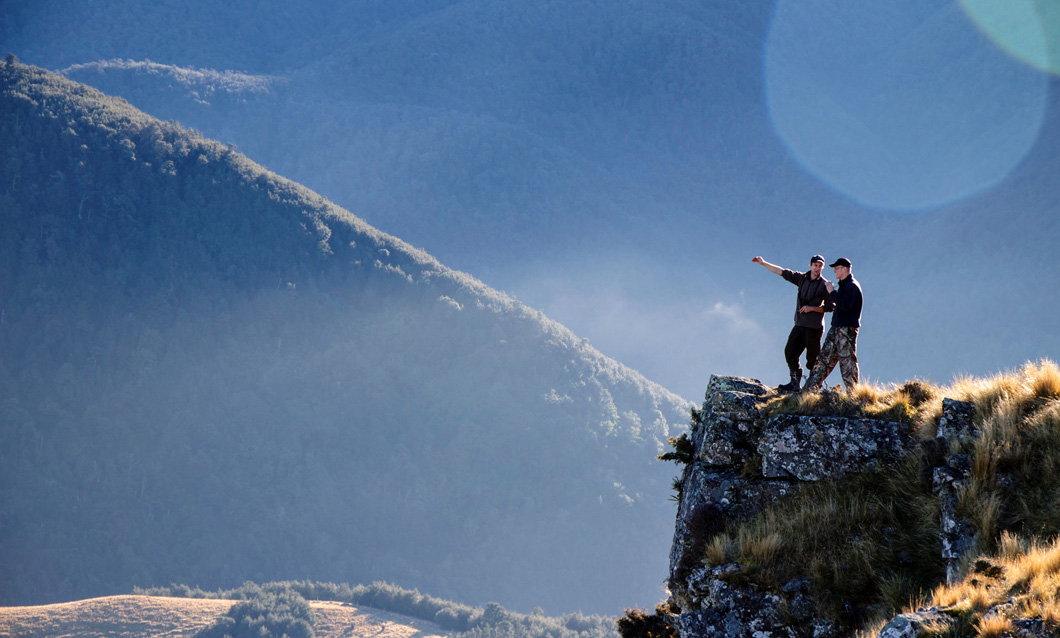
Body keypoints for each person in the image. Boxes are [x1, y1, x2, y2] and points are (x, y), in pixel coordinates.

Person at [751, 254, 834, 392]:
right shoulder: (801, 278)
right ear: (810, 265)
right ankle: (795, 383)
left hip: (814, 328)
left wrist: (812, 308)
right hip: (800, 325)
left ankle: (813, 388)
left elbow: (831, 306)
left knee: (813, 360)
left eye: (820, 266)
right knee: (790, 352)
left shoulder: (824, 285)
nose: (817, 268)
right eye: (815, 265)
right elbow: (781, 272)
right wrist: (763, 263)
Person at [802, 257, 863, 394]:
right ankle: (808, 392)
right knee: (823, 360)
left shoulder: (852, 286)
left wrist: (832, 292)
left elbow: (844, 306)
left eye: (837, 268)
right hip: (836, 329)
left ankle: (854, 396)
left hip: (846, 330)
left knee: (847, 363)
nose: (834, 271)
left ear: (845, 269)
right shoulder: (844, 285)